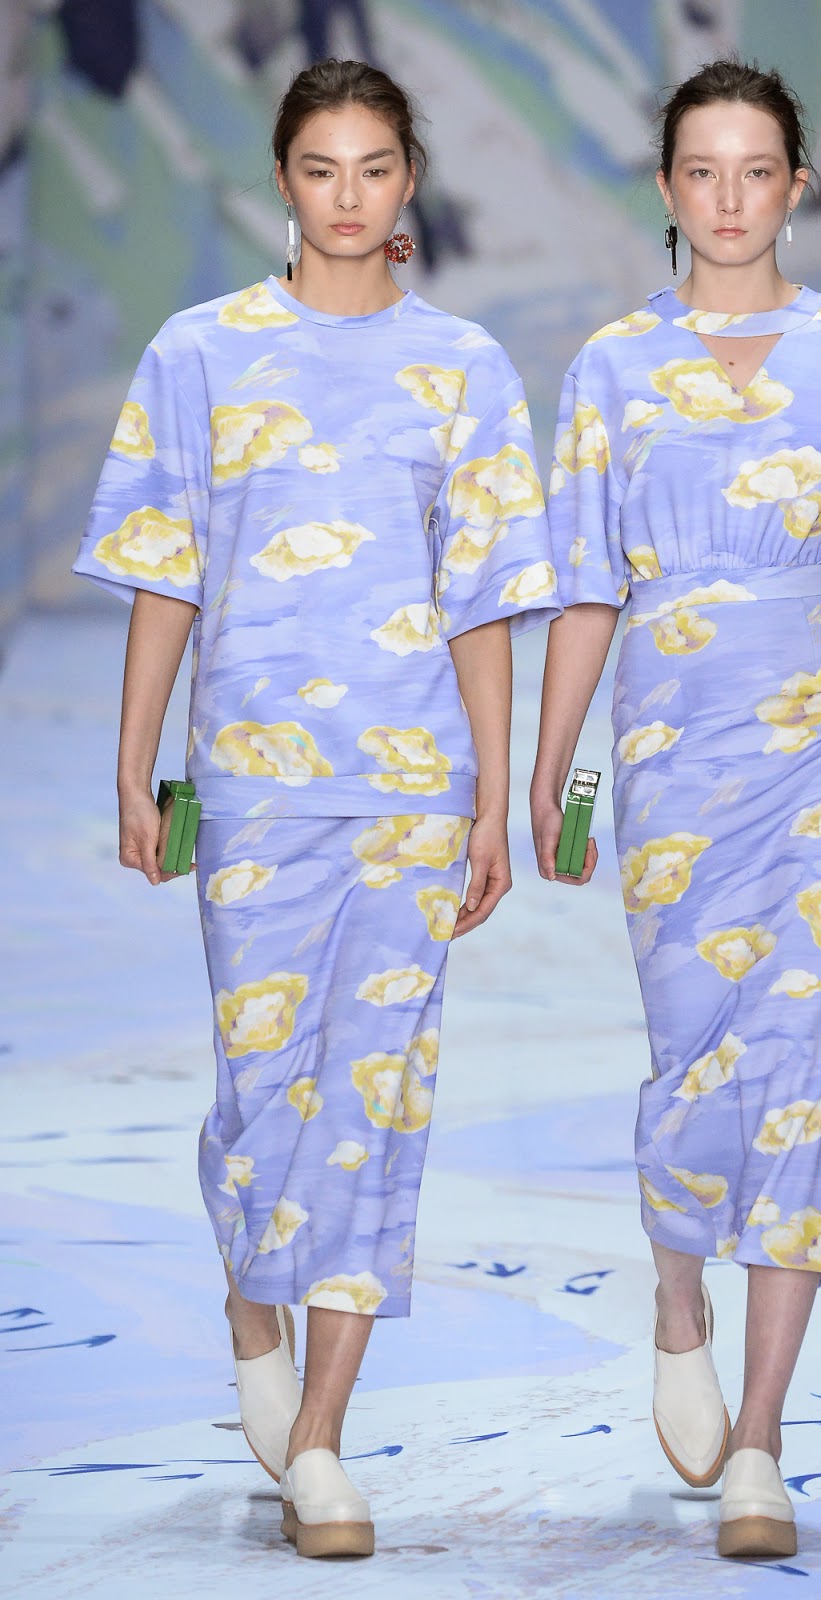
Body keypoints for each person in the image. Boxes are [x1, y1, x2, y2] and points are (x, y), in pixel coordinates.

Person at [73, 57, 559, 1559]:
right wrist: (138, 759)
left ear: (409, 180)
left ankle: (328, 1442)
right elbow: (166, 568)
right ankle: (252, 1311)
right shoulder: (200, 353)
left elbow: (483, 601)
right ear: (282, 181)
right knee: (258, 1093)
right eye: (320, 168)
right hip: (254, 784)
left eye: (374, 167)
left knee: (375, 1103)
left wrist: (489, 798)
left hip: (409, 792)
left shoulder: (465, 368)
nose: (348, 197)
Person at [531, 58, 821, 1562]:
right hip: (670, 749)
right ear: (666, 189)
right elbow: (586, 584)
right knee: (694, 1056)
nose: (728, 197)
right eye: (701, 171)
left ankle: (765, 1435)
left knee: (808, 1071)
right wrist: (552, 765)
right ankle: (675, 1291)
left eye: (755, 169)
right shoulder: (609, 369)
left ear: (794, 185)